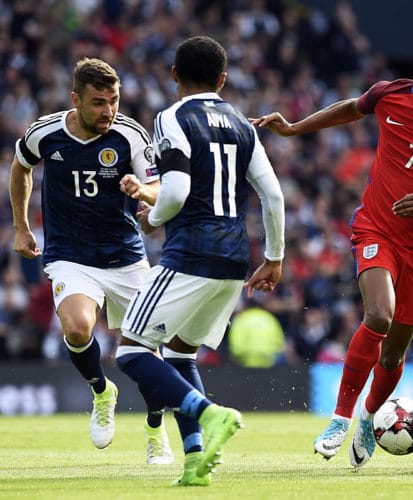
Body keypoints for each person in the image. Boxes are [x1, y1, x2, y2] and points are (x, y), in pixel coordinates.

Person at [254, 31, 413, 467]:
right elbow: (350, 108)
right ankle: (340, 418)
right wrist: (295, 127)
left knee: (396, 350)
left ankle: (367, 417)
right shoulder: (390, 95)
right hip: (376, 228)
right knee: (377, 315)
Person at [115, 35, 285, 486]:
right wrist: (275, 257)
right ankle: (195, 460)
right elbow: (272, 195)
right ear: (223, 79)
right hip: (233, 260)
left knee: (131, 352)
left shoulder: (172, 117)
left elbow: (175, 192)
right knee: (179, 353)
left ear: (174, 75)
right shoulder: (242, 124)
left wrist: (153, 217)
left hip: (190, 252)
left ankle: (208, 413)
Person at [8, 57, 174, 463]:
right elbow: (20, 168)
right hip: (70, 255)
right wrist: (21, 226)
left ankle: (156, 428)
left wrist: (143, 190)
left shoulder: (130, 135)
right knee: (79, 328)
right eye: (99, 102)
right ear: (75, 99)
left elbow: (158, 186)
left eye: (114, 101)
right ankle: (102, 392)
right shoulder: (44, 133)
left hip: (125, 255)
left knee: (146, 353)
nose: (108, 111)